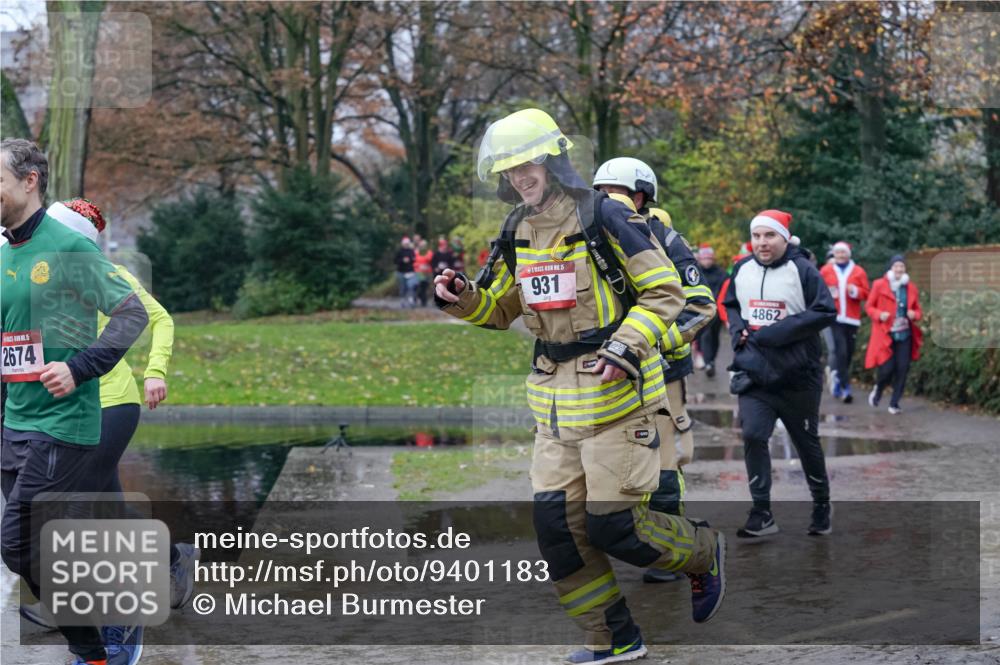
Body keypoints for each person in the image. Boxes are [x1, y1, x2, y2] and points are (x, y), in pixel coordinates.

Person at [436, 109, 726, 664]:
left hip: (617, 401)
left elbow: (665, 292)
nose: (521, 177)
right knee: (558, 532)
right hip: (553, 407)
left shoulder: (604, 213)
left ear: (552, 160)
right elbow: (499, 309)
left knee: (615, 527)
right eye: (511, 170)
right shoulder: (515, 229)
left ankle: (704, 551)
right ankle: (613, 637)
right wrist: (460, 299)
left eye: (529, 164)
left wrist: (625, 347)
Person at [1, 139, 149, 665]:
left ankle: (96, 647)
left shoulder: (70, 248)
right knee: (52, 545)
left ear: (29, 181)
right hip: (13, 424)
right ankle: (108, 630)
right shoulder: (5, 253)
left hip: (64, 423)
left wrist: (78, 366)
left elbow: (134, 315)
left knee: (17, 542)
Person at [592, 156, 717, 584]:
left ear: (641, 197)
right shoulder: (585, 238)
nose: (605, 202)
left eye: (616, 194)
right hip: (601, 375)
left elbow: (700, 308)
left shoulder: (663, 237)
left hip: (660, 372)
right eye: (600, 195)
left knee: (665, 464)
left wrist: (648, 344)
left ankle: (675, 549)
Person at [722, 209, 836, 538]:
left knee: (806, 443)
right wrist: (738, 330)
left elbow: (826, 311)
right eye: (756, 236)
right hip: (754, 373)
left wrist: (775, 332)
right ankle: (761, 512)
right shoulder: (742, 268)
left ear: (784, 238)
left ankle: (821, 505)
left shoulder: (802, 269)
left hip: (798, 375)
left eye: (769, 235)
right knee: (754, 435)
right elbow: (729, 303)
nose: (762, 242)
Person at [865, 255, 922, 414]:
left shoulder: (911, 287)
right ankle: (878, 390)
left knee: (903, 368)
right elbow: (869, 307)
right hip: (886, 334)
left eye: (901, 267)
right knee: (886, 370)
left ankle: (894, 403)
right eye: (896, 266)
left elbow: (918, 311)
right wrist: (879, 314)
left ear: (904, 270)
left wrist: (914, 314)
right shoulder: (879, 285)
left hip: (904, 334)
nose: (899, 269)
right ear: (891, 268)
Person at [819, 241, 869, 403]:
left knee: (848, 353)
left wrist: (854, 291)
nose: (840, 256)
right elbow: (819, 290)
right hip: (835, 317)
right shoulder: (826, 270)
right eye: (838, 253)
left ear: (848, 254)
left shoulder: (858, 271)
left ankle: (839, 378)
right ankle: (846, 388)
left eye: (843, 253)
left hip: (852, 318)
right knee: (840, 351)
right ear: (834, 254)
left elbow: (866, 293)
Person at [694, 244, 727, 377]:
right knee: (705, 335)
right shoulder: (695, 273)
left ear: (713, 259)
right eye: (704, 258)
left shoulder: (721, 274)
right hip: (701, 310)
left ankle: (711, 360)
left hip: (717, 311)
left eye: (709, 258)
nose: (707, 261)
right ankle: (707, 361)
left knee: (714, 337)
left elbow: (724, 291)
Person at [394, 236, 416, 305]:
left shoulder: (411, 251)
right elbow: (395, 261)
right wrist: (402, 260)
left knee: (410, 286)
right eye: (405, 243)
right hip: (401, 272)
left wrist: (410, 260)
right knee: (403, 287)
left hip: (410, 272)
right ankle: (402, 300)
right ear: (402, 244)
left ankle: (411, 299)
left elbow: (415, 259)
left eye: (407, 243)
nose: (406, 245)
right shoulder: (399, 251)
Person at [413, 239, 433, 307]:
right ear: (419, 245)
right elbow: (414, 262)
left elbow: (431, 260)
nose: (423, 246)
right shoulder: (416, 252)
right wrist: (419, 266)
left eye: (424, 245)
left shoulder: (429, 252)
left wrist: (426, 264)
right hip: (419, 272)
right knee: (419, 286)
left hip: (427, 272)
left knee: (424, 287)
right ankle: (417, 299)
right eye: (422, 245)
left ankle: (423, 302)